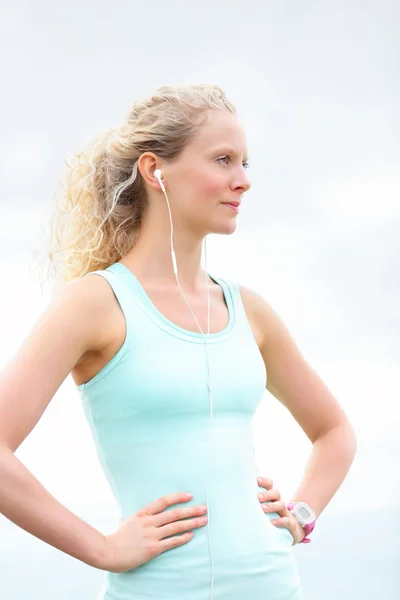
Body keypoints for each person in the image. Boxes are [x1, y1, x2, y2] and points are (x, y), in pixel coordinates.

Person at [0, 83, 357, 599]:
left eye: (246, 164)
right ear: (154, 170)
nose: (243, 181)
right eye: (223, 160)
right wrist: (101, 548)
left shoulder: (249, 310)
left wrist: (302, 513)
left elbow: (335, 431)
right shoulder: (94, 304)